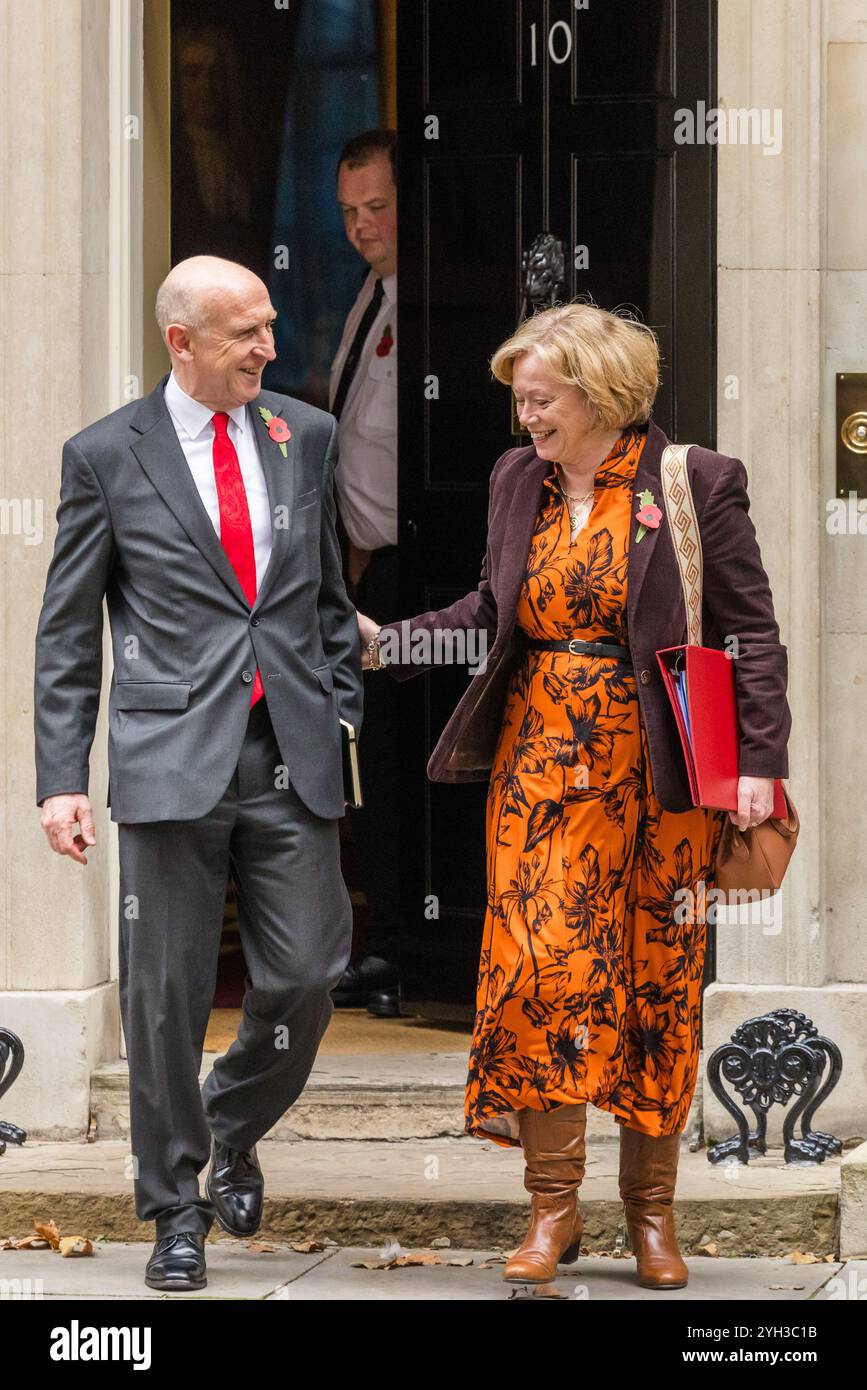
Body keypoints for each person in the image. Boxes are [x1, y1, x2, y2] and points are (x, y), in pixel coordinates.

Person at [357, 301, 791, 1289]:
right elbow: (487, 612)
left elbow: (751, 633)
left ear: (597, 393)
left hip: (659, 779)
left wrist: (757, 762)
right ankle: (553, 1212)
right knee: (539, 975)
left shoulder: (692, 482)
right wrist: (391, 643)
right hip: (539, 772)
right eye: (521, 398)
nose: (525, 417)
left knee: (654, 984)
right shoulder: (522, 482)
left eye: (540, 397)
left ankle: (651, 1219)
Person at [34, 255, 362, 1292]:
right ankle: (177, 1209)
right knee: (165, 998)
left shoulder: (302, 436)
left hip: (289, 755)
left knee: (308, 975)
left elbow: (323, 601)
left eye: (269, 326)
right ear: (181, 341)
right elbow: (66, 633)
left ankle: (232, 1117)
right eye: (245, 334)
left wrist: (340, 708)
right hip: (168, 757)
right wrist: (62, 775)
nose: (269, 347)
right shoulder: (105, 456)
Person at [327, 130, 401, 1016]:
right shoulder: (367, 296)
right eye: (348, 211)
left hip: (414, 570)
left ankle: (399, 946)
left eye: (376, 206)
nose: (360, 225)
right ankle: (379, 935)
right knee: (364, 766)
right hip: (362, 569)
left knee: (393, 761)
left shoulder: (418, 299)